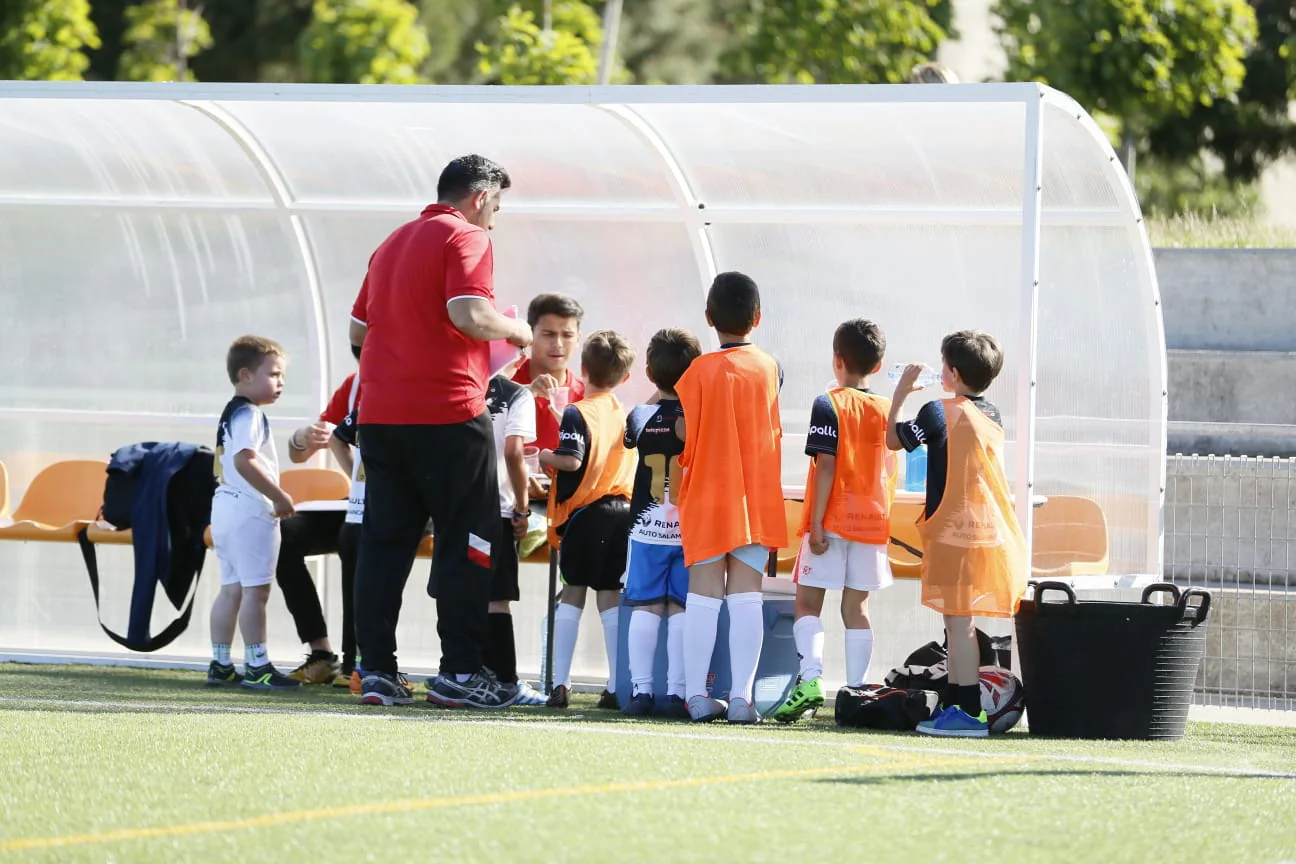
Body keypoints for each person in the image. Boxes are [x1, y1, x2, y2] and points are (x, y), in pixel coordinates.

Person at [348, 154, 532, 708]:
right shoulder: (467, 238)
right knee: (468, 541)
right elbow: (469, 315)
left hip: (381, 418)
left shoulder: (391, 243)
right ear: (479, 198)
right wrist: (519, 330)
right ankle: (458, 672)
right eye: (496, 206)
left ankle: (377, 670)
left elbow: (358, 334)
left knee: (383, 544)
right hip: (449, 416)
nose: (496, 218)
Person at [887, 330, 1027, 738]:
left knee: (958, 622)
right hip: (984, 529)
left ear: (950, 371)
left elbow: (893, 440)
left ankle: (967, 711)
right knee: (958, 621)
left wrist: (899, 395)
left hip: (952, 530)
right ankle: (956, 700)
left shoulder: (937, 411)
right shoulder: (994, 414)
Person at [675, 272, 788, 724]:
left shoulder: (697, 371)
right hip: (755, 496)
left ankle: (696, 698)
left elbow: (685, 432)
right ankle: (742, 698)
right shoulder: (770, 367)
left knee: (703, 598)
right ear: (757, 318)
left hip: (705, 495)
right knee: (746, 598)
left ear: (708, 318)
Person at [772, 319, 897, 723]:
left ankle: (811, 679)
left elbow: (826, 464)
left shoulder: (828, 402)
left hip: (833, 520)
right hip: (872, 523)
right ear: (877, 367)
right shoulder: (885, 409)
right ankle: (857, 692)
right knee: (856, 609)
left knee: (808, 603)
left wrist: (820, 523)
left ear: (836, 359)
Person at [538, 330, 636, 709]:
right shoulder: (622, 413)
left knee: (573, 593)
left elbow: (572, 459)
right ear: (625, 378)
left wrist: (545, 454)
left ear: (582, 368)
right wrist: (555, 414)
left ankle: (560, 683)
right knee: (610, 597)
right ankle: (614, 685)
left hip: (585, 516)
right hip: (621, 514)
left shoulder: (578, 411)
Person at [206, 335, 299, 691]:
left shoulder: (231, 411)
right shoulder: (250, 414)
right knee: (255, 591)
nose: (281, 382)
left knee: (230, 589)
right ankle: (257, 665)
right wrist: (278, 496)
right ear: (245, 375)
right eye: (274, 374)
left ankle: (220, 663)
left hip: (224, 507)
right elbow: (245, 461)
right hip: (248, 510)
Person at [622, 328, 701, 718]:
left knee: (646, 608)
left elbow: (631, 436)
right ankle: (676, 693)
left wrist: (661, 389)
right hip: (690, 531)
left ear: (650, 374)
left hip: (646, 530)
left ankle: (641, 692)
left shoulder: (640, 415)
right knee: (683, 609)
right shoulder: (698, 420)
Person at [272, 354, 360, 687]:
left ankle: (359, 663)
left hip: (408, 506)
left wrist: (340, 445)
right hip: (360, 501)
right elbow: (301, 452)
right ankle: (321, 653)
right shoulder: (354, 386)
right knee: (284, 535)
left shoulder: (414, 385)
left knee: (357, 536)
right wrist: (301, 437)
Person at [476, 368, 548, 706]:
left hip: (457, 512)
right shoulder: (516, 393)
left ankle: (461, 674)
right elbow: (514, 452)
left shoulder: (454, 386)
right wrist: (522, 506)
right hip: (497, 510)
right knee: (496, 597)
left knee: (465, 590)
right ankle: (505, 681)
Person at [512, 293, 586, 454]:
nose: (558, 344)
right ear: (530, 335)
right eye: (549, 334)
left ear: (578, 339)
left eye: (567, 335)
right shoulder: (504, 383)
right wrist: (524, 393)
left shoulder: (586, 398)